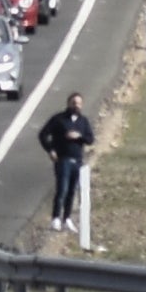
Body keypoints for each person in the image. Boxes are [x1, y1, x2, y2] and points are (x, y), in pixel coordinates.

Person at [40, 93, 98, 239]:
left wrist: (79, 136)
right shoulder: (59, 119)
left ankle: (67, 219)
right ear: (68, 103)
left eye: (78, 103)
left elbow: (90, 139)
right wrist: (51, 150)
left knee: (72, 191)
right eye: (73, 102)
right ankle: (55, 218)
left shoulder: (83, 121)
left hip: (77, 160)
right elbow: (43, 134)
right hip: (63, 159)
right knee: (62, 189)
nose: (76, 105)